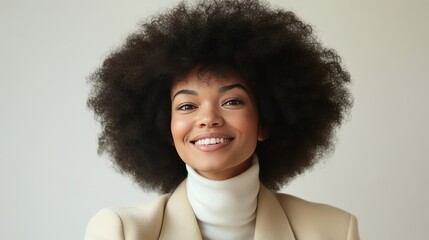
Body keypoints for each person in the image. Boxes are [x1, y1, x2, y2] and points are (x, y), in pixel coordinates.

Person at [85, 0, 360, 239]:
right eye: (187, 105)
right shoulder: (122, 232)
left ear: (264, 122)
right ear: (168, 130)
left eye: (231, 101)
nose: (208, 119)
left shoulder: (334, 230)